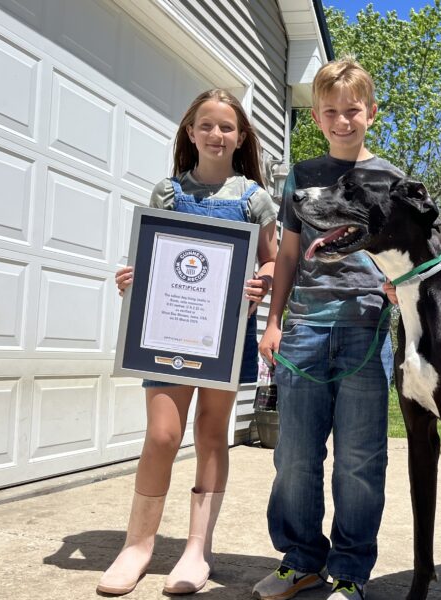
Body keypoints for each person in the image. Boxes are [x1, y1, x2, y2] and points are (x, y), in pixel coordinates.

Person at [99, 89, 279, 596]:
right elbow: (150, 254)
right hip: (166, 332)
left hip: (224, 334)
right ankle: (137, 546)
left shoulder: (253, 198)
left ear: (240, 136)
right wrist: (133, 278)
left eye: (227, 127)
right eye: (206, 125)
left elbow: (270, 260)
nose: (216, 134)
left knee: (210, 432)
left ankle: (198, 548)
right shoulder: (168, 193)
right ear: (190, 132)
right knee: (161, 435)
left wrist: (261, 281)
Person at [252, 57, 399, 600]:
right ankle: (300, 560)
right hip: (305, 331)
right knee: (294, 454)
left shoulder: (390, 179)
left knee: (360, 460)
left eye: (353, 111)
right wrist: (273, 322)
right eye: (332, 112)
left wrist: (395, 289)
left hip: (366, 330)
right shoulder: (302, 176)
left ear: (371, 112)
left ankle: (350, 572)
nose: (343, 121)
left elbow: (408, 256)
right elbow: (288, 256)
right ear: (316, 116)